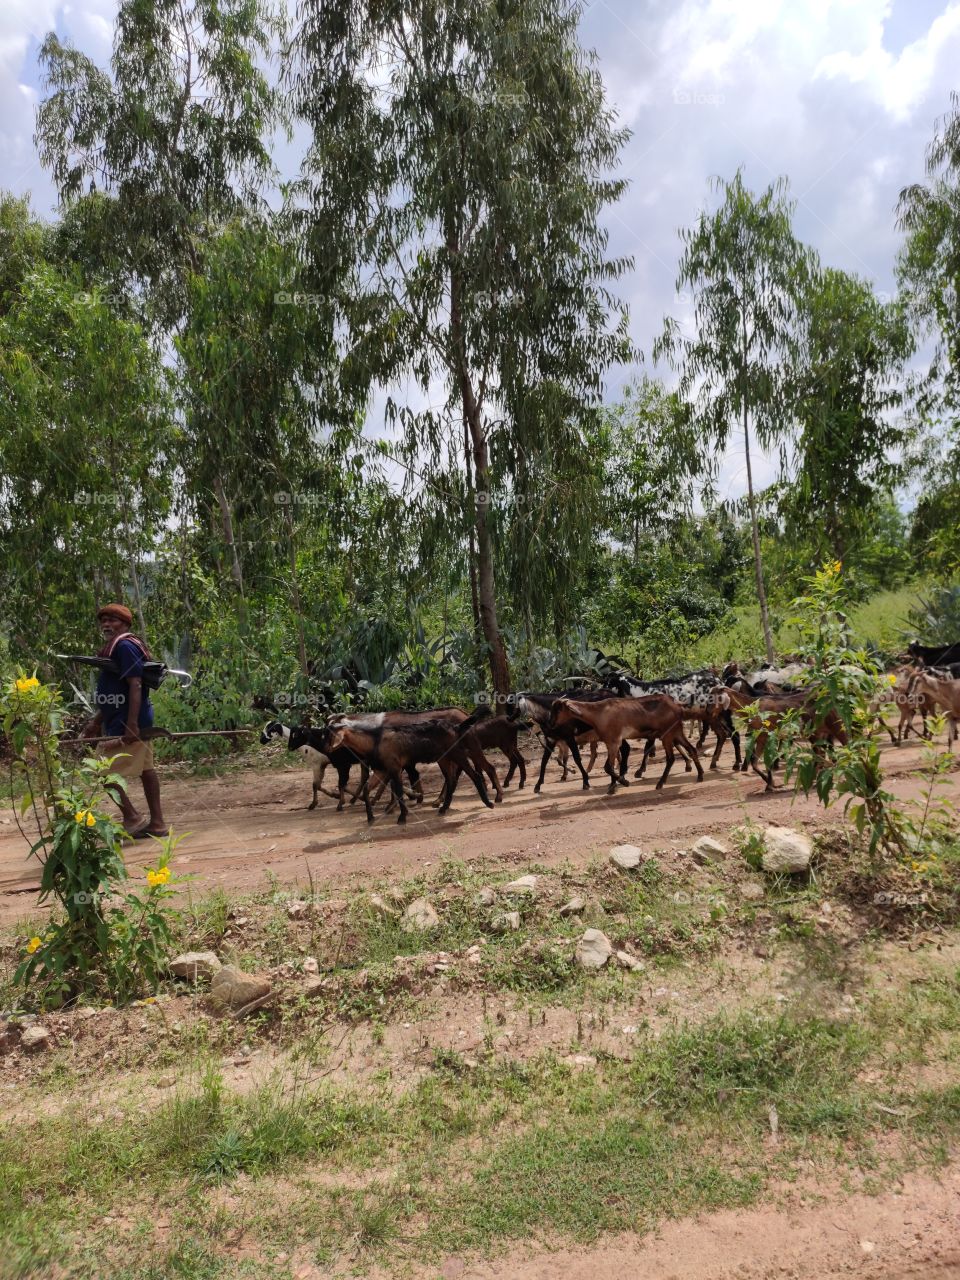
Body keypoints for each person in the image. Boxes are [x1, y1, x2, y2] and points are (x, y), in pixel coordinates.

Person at [82, 603, 168, 839]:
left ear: (126, 624)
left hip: (131, 722)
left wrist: (131, 725)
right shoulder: (115, 647)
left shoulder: (125, 646)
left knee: (103, 771)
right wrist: (97, 720)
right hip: (125, 719)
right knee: (146, 769)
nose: (107, 625)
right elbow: (115, 688)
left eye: (113, 620)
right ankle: (157, 824)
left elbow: (136, 684)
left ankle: (132, 817)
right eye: (104, 621)